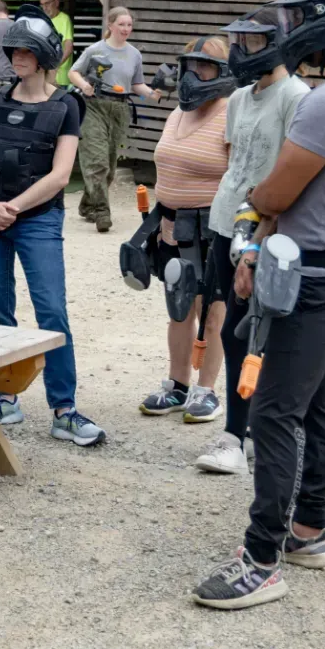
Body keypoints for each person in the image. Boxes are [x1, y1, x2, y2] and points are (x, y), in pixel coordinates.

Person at [193, 0, 325, 610]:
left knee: (275, 414)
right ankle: (310, 530)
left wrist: (255, 210)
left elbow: (277, 191)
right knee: (322, 407)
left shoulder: (323, 102)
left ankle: (260, 557)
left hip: (307, 277)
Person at [0, 4, 105, 446]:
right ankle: (4, 397)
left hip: (36, 220)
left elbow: (60, 176)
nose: (16, 56)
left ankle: (64, 409)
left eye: (26, 49)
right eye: (13, 49)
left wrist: (10, 210)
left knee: (51, 311)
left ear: (44, 56)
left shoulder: (66, 106)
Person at [194, 8, 310, 475]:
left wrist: (261, 239)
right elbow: (236, 162)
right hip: (225, 220)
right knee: (230, 322)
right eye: (237, 41)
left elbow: (289, 180)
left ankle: (237, 436)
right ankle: (249, 431)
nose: (241, 50)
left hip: (265, 229)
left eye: (252, 42)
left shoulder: (296, 97)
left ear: (278, 43)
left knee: (252, 330)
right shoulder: (240, 98)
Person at [137, 37, 235, 423]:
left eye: (205, 66)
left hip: (213, 229)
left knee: (212, 309)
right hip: (171, 225)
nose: (194, 74)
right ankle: (177, 385)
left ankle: (206, 390)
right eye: (190, 66)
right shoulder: (179, 111)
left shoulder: (231, 113)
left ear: (223, 71)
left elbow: (240, 173)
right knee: (179, 309)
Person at [69, 7, 160, 233]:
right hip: (94, 106)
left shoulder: (134, 54)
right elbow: (73, 72)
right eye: (121, 24)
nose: (126, 29)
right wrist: (84, 86)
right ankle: (102, 212)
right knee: (96, 160)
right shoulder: (95, 50)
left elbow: (136, 83)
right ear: (110, 25)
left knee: (109, 167)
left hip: (120, 109)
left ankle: (87, 205)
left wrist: (152, 93)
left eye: (129, 25)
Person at [38, 0, 74, 86]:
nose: (44, 8)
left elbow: (69, 48)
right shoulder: (42, 20)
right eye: (42, 4)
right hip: (43, 78)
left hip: (60, 79)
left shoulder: (64, 19)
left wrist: (55, 65)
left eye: (47, 4)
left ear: (56, 2)